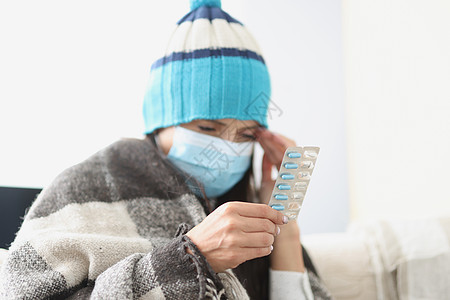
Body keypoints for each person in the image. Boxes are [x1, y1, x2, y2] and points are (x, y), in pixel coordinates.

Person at [0, 0, 333, 299]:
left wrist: (283, 226)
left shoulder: (246, 201)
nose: (227, 147)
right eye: (207, 128)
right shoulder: (86, 185)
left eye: (245, 134)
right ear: (159, 124)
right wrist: (190, 258)